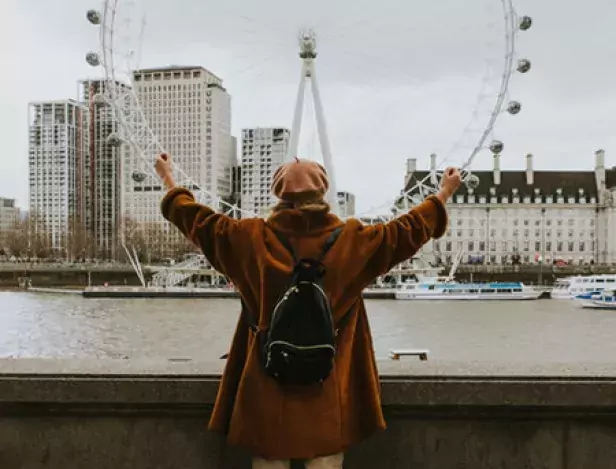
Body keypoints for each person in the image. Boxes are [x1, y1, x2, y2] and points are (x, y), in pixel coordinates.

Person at [156, 153, 461, 468]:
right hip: (329, 388)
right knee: (325, 460)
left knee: (269, 461)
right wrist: (444, 192)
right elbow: (408, 229)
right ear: (323, 192)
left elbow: (195, 219)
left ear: (279, 194)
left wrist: (168, 178)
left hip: (266, 385)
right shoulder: (355, 241)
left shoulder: (248, 238)